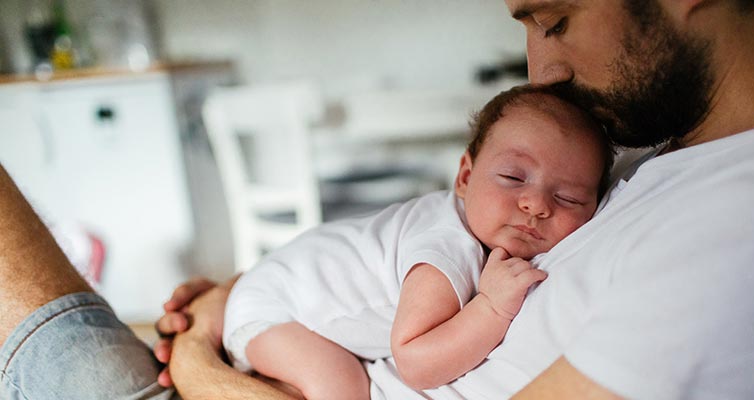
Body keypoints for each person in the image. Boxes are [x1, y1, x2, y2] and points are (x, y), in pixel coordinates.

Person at [1, 0, 754, 399]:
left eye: (555, 18)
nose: (542, 69)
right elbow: (417, 245)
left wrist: (205, 369)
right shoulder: (653, 154)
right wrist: (233, 305)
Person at [221, 85, 612, 399]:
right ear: (464, 178)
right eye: (513, 177)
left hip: (279, 282)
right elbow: (415, 363)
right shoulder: (447, 250)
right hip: (271, 309)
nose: (536, 204)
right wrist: (492, 308)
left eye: (569, 198)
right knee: (342, 385)